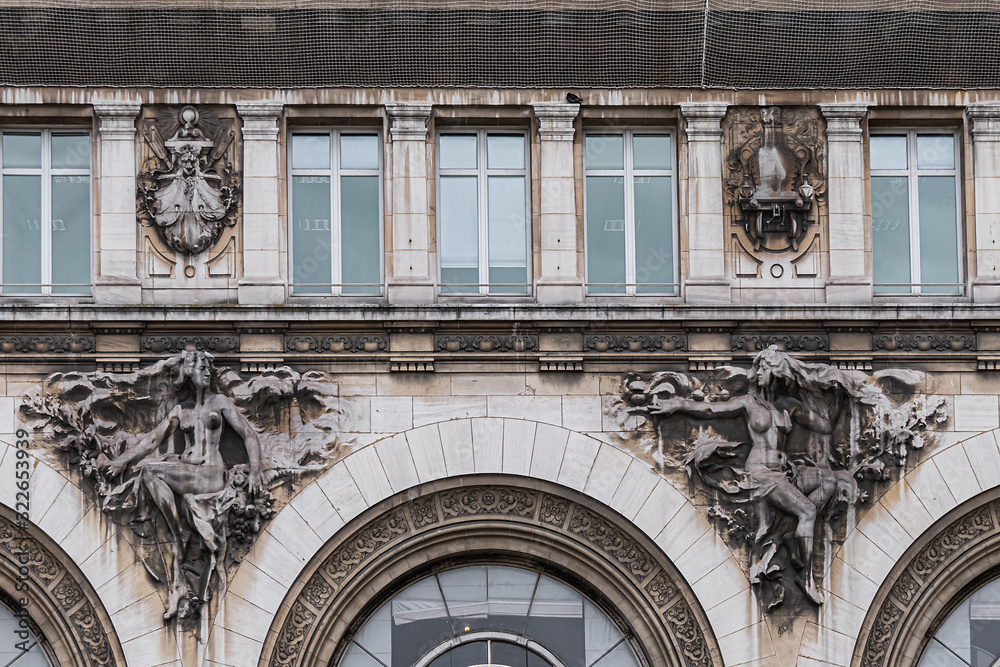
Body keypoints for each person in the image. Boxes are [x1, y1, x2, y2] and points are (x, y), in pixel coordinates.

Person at [647, 355, 826, 605]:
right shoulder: (747, 402)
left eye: (763, 368)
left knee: (833, 483)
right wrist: (679, 403)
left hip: (784, 471)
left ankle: (791, 537)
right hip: (761, 473)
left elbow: (825, 427)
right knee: (807, 511)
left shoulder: (788, 405)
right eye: (757, 368)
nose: (757, 373)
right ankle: (806, 578)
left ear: (777, 371)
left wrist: (832, 386)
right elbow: (711, 410)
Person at [106, 350, 262, 619]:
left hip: (211, 473)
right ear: (188, 372)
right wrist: (122, 460)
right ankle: (180, 531)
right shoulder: (180, 410)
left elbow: (247, 434)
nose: (207, 372)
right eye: (201, 367)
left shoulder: (220, 402)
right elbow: (152, 441)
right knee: (148, 472)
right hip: (188, 471)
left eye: (208, 368)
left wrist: (256, 471)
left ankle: (181, 535)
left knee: (152, 470)